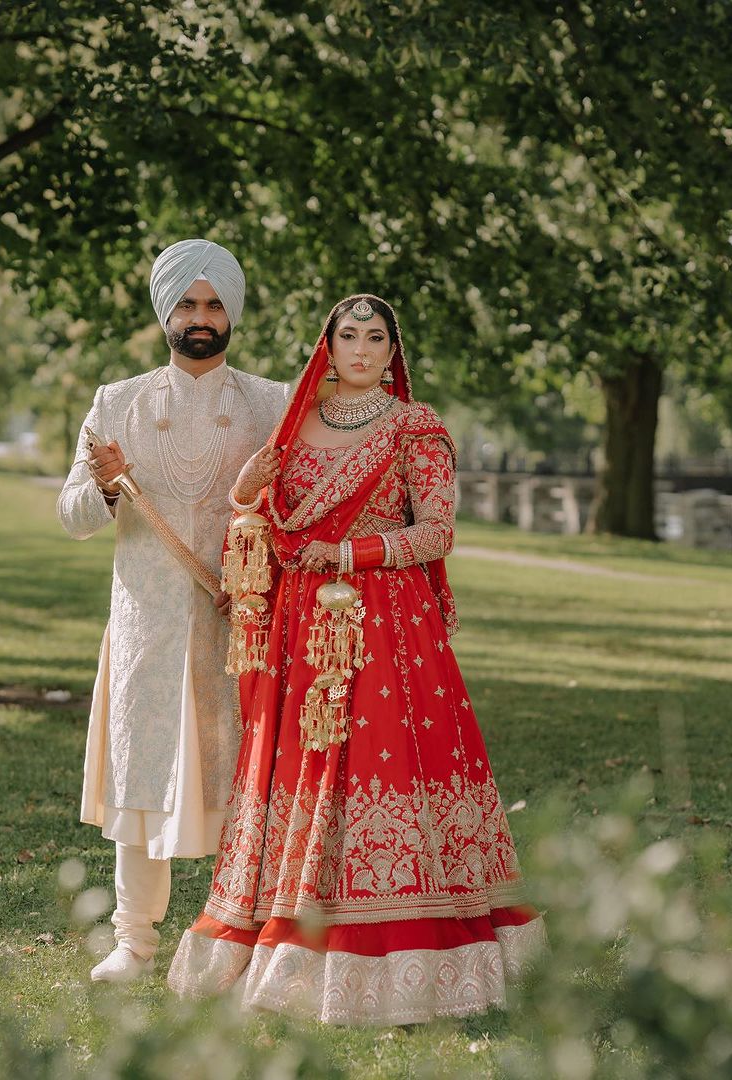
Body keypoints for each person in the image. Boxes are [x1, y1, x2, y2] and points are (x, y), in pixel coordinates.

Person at [167, 294, 544, 1024]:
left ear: (392, 351)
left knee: (383, 763)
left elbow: (436, 534)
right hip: (302, 630)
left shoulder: (415, 427)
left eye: (376, 338)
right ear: (328, 344)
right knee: (301, 768)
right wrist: (253, 485)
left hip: (390, 630)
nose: (362, 350)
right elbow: (260, 514)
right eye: (349, 336)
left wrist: (348, 552)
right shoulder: (294, 422)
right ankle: (285, 922)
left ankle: (405, 937)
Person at [57, 239, 290, 982]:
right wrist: (109, 488)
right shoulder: (116, 401)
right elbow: (71, 515)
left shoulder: (273, 402)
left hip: (242, 621)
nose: (200, 318)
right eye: (187, 304)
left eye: (214, 303)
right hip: (147, 623)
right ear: (166, 312)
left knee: (246, 777)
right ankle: (136, 943)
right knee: (143, 776)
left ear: (233, 313)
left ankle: (241, 937)